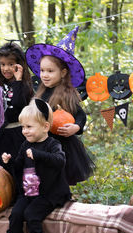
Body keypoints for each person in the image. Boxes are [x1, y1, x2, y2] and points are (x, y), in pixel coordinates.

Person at [0, 99, 71, 233]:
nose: (24, 131)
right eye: (23, 127)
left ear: (45, 127)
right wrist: (8, 162)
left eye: (29, 127)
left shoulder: (53, 144)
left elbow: (60, 161)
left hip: (49, 192)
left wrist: (38, 155)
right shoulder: (25, 145)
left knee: (31, 214)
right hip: (30, 190)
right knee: (16, 213)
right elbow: (19, 167)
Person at [25, 26, 95, 185]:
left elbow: (80, 115)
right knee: (42, 176)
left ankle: (61, 199)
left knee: (59, 175)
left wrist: (76, 127)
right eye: (42, 70)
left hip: (61, 144)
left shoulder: (67, 93)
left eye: (50, 71)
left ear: (63, 73)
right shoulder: (40, 92)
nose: (45, 75)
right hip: (42, 140)